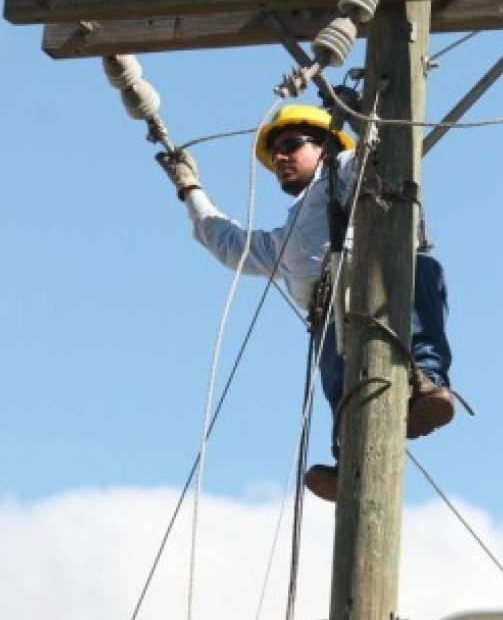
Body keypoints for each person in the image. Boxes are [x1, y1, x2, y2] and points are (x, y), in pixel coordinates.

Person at [157, 104, 454, 502]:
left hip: (389, 276)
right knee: (338, 379)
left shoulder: (346, 169)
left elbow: (378, 154)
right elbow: (230, 244)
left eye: (291, 145)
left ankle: (425, 382)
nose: (279, 158)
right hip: (332, 313)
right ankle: (349, 453)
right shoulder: (291, 235)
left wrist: (368, 110)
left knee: (416, 287)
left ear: (326, 148)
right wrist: (190, 190)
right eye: (275, 152)